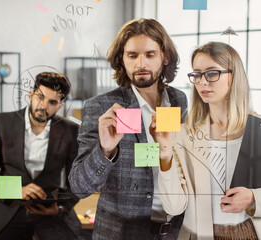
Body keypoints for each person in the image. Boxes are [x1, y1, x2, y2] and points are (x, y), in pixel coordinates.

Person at [150, 42, 261, 240]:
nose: (203, 82)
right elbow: (174, 206)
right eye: (197, 74)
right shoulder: (184, 134)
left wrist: (253, 198)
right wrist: (164, 154)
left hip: (255, 234)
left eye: (212, 73)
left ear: (234, 77)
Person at [68, 18, 188, 239]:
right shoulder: (103, 107)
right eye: (132, 55)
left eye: (150, 55)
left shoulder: (179, 100)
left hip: (174, 230)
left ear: (165, 57)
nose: (141, 64)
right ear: (121, 59)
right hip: (121, 233)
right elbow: (79, 187)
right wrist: (105, 151)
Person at [0, 72, 83, 240]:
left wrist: (61, 208)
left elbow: (77, 181)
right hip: (8, 212)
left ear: (60, 106)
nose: (43, 106)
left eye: (52, 102)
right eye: (40, 97)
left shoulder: (71, 130)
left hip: (51, 212)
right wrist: (16, 190)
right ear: (31, 95)